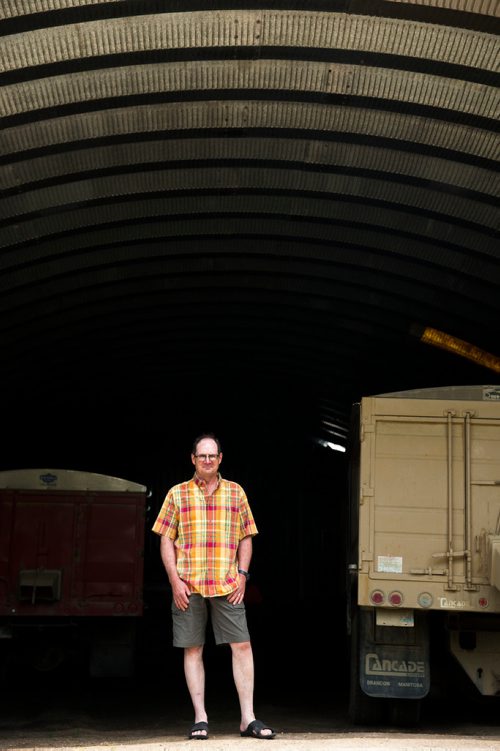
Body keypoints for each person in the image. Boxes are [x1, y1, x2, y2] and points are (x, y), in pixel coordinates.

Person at [152, 433, 275, 741]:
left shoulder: (236, 493)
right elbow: (166, 539)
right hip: (188, 585)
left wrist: (243, 575)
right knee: (193, 648)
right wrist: (173, 580)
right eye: (201, 456)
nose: (207, 460)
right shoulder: (176, 494)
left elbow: (246, 536)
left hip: (227, 582)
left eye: (212, 455)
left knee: (242, 645)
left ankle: (248, 719)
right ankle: (200, 718)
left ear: (220, 459)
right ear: (192, 459)